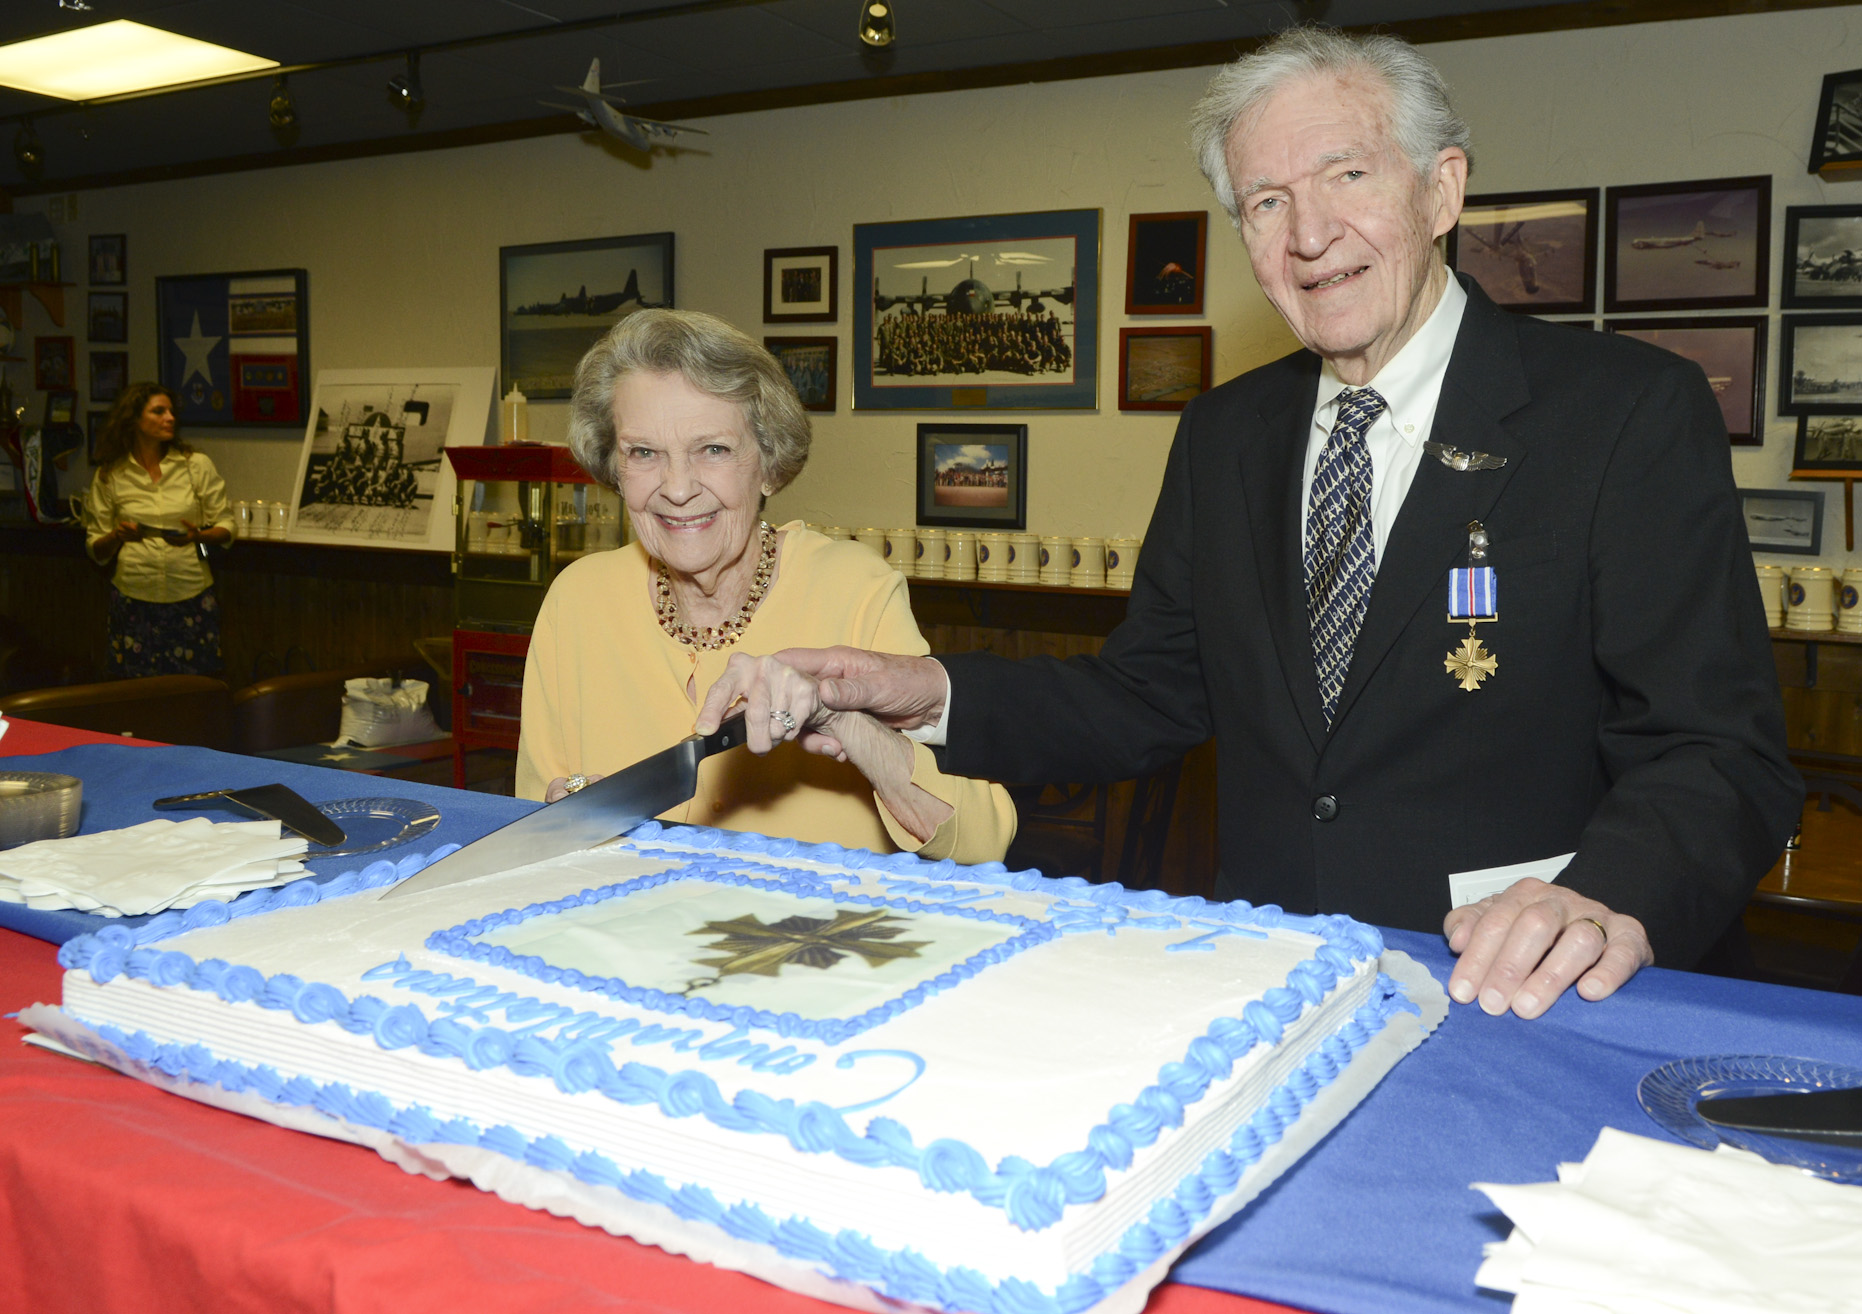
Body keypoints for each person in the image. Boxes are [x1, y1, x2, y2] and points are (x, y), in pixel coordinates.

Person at [699, 27, 1800, 1018]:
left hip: (1521, 995)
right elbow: (1147, 694)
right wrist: (924, 690)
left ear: (1440, 191)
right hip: (1275, 991)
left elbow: (1718, 752)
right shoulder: (1225, 434)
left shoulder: (1622, 414)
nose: (1309, 233)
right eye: (1266, 202)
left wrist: (1603, 897)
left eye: (1347, 175)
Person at [515, 309, 1015, 864]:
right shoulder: (578, 600)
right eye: (644, 453)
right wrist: (565, 820)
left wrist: (842, 717)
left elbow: (981, 840)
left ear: (770, 467)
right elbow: (529, 824)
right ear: (614, 467)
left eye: (714, 449)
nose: (677, 488)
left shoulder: (856, 591)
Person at [81, 383, 233, 678]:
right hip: (134, 595)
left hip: (190, 593)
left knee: (195, 688)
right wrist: (117, 536)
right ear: (134, 419)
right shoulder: (111, 474)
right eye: (159, 411)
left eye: (172, 412)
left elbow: (227, 526)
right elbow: (96, 549)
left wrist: (198, 537)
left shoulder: (195, 465)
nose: (170, 418)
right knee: (136, 691)